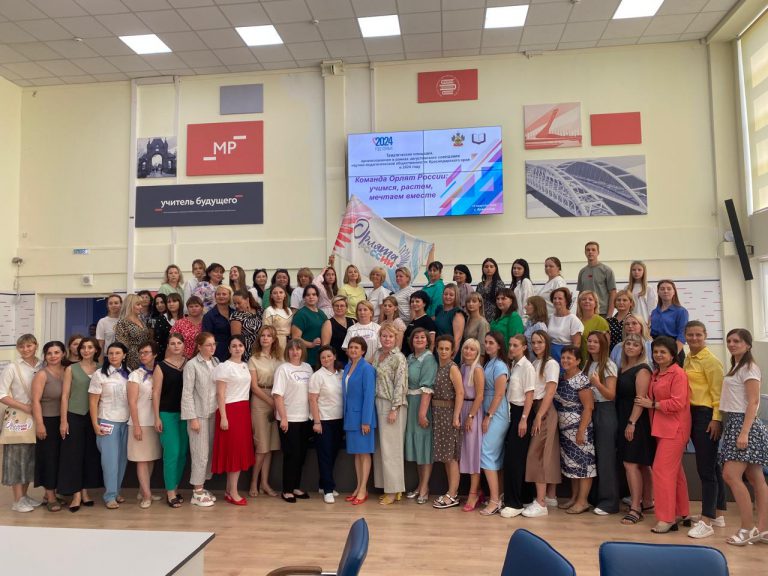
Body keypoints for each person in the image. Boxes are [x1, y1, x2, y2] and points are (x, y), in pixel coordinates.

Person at [635, 336, 691, 534]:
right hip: (661, 428)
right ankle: (682, 512)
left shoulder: (678, 374)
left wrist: (653, 404)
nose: (658, 355)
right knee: (675, 472)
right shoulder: (657, 373)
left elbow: (678, 403)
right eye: (656, 352)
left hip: (675, 429)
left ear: (672, 355)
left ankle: (666, 518)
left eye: (663, 352)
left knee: (661, 471)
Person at [718, 329, 768, 546]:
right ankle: (764, 529)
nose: (731, 344)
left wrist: (744, 432)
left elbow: (753, 401)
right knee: (756, 478)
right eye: (729, 340)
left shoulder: (749, 368)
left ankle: (747, 528)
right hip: (735, 422)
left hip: (744, 424)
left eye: (737, 341)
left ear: (747, 345)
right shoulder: (737, 367)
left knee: (730, 475)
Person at [684, 320, 728, 538]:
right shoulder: (688, 357)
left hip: (706, 416)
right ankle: (718, 514)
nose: (694, 338)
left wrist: (716, 419)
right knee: (712, 466)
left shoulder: (711, 361)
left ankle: (707, 521)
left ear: (705, 335)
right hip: (691, 413)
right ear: (685, 336)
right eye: (690, 335)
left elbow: (719, 394)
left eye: (698, 335)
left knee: (705, 470)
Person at [58, 337, 102, 511]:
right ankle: (76, 494)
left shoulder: (101, 368)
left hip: (94, 417)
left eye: (90, 347)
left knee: (89, 455)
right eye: (83, 347)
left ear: (96, 350)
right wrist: (63, 421)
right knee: (73, 455)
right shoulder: (71, 369)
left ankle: (85, 492)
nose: (86, 350)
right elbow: (64, 396)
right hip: (74, 415)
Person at [615, 333, 654, 525]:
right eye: (628, 343)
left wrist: (632, 423)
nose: (630, 347)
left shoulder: (643, 369)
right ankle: (647, 502)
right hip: (623, 417)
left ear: (641, 349)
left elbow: (640, 399)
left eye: (635, 345)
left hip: (636, 421)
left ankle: (635, 508)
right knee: (641, 465)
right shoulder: (622, 368)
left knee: (631, 464)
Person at [212, 336, 255, 506]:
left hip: (243, 410)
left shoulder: (245, 365)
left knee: (238, 451)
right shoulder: (224, 367)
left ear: (244, 348)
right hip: (229, 410)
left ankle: (229, 490)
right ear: (229, 349)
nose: (237, 348)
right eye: (234, 346)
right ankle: (233, 492)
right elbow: (220, 394)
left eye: (240, 345)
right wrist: (224, 416)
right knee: (234, 452)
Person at [1, 335, 41, 513]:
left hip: (37, 418)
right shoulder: (12, 367)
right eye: (22, 347)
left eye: (29, 346)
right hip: (19, 418)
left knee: (30, 458)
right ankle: (17, 500)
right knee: (16, 458)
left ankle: (24, 496)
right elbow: (2, 394)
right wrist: (25, 407)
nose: (25, 349)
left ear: (36, 346)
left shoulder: (42, 365)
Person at [523, 330, 561, 518]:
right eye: (534, 342)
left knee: (537, 455)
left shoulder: (551, 364)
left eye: (540, 342)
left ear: (547, 344)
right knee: (546, 454)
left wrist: (539, 415)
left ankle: (540, 503)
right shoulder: (535, 363)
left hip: (544, 410)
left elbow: (550, 391)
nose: (536, 345)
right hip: (536, 409)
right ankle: (548, 496)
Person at [553, 345, 595, 515]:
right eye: (563, 357)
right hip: (565, 430)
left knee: (583, 464)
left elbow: (588, 407)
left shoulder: (581, 380)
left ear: (578, 361)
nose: (565, 360)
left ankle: (583, 501)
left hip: (579, 427)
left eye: (569, 358)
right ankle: (575, 497)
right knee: (572, 464)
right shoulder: (562, 378)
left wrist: (581, 430)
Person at [88, 342, 130, 508]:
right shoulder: (99, 375)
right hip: (107, 420)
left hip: (126, 421)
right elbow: (93, 402)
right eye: (111, 353)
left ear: (124, 355)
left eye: (117, 353)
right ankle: (109, 495)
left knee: (122, 459)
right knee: (110, 460)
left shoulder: (129, 373)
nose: (113, 356)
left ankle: (117, 491)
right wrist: (95, 424)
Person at [181, 332, 219, 508]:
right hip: (199, 416)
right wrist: (193, 418)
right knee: (200, 454)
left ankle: (202, 487)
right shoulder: (192, 365)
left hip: (214, 414)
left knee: (209, 454)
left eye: (214, 344)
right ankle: (197, 492)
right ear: (199, 346)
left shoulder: (216, 362)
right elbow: (187, 393)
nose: (212, 347)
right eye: (208, 344)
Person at [372, 322, 408, 506]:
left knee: (391, 449)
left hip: (392, 405)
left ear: (395, 338)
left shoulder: (398, 358)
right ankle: (388, 487)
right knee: (381, 449)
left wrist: (394, 409)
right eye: (384, 336)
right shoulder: (377, 354)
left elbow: (401, 384)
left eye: (390, 336)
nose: (387, 339)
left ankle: (393, 491)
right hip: (378, 402)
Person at [273, 339, 313, 503]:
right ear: (287, 351)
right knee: (291, 455)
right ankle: (287, 490)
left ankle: (296, 486)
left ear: (303, 351)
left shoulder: (308, 368)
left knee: (301, 455)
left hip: (305, 418)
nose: (295, 352)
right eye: (292, 349)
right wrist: (284, 418)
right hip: (289, 419)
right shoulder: (283, 369)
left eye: (298, 349)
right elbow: (278, 395)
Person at [500, 334, 535, 518]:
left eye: (515, 345)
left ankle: (514, 503)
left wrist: (524, 419)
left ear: (524, 347)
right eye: (510, 345)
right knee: (514, 458)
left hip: (521, 413)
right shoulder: (513, 365)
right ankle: (523, 498)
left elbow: (529, 394)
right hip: (512, 412)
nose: (511, 348)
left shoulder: (527, 367)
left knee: (515, 460)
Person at [584, 331, 620, 515]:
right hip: (591, 409)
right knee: (594, 456)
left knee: (606, 457)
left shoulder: (608, 365)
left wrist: (597, 384)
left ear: (603, 345)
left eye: (596, 342)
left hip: (605, 410)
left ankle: (609, 502)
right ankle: (595, 497)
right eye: (589, 341)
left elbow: (611, 394)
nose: (592, 344)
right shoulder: (588, 363)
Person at [152, 334, 188, 508]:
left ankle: (175, 487)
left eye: (179, 343)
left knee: (182, 453)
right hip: (167, 414)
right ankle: (170, 493)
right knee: (172, 453)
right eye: (172, 343)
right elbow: (156, 393)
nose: (176, 346)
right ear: (168, 346)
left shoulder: (189, 364)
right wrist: (156, 416)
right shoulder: (161, 367)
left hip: (186, 414)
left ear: (184, 345)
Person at [31, 340, 66, 512]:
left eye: (56, 352)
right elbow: (35, 401)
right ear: (45, 356)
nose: (53, 356)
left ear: (63, 354)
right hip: (47, 421)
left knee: (59, 458)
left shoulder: (67, 371)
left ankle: (50, 493)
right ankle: (51, 497)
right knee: (49, 459)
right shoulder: (42, 375)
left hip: (63, 420)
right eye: (49, 353)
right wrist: (40, 424)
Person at [247, 326, 281, 498]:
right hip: (260, 401)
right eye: (263, 336)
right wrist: (271, 402)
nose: (265, 338)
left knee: (270, 446)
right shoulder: (254, 359)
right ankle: (253, 482)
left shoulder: (279, 359)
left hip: (276, 398)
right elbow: (253, 387)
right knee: (261, 446)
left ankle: (264, 483)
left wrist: (277, 403)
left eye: (269, 336)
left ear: (274, 339)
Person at [342, 337, 377, 505]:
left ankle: (363, 489)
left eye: (357, 347)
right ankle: (358, 487)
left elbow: (369, 396)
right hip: (350, 417)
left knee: (364, 453)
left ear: (363, 351)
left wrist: (366, 421)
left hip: (363, 419)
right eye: (351, 347)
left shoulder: (367, 369)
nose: (353, 350)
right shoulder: (347, 367)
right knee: (357, 454)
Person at [127, 342, 162, 509]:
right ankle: (146, 496)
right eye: (141, 352)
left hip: (153, 422)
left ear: (154, 354)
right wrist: (136, 425)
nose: (143, 355)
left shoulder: (159, 372)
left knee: (150, 458)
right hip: (140, 422)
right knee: (141, 460)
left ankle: (143, 490)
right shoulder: (135, 375)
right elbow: (132, 402)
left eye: (147, 352)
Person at [404, 327, 437, 504]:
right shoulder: (410, 358)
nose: (419, 339)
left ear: (427, 341)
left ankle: (425, 487)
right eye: (416, 337)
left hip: (420, 404)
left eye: (422, 337)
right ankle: (419, 485)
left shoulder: (429, 359)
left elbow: (427, 388)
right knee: (417, 447)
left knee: (424, 446)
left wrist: (422, 413)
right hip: (409, 403)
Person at [431, 335, 464, 510]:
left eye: (447, 349)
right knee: (445, 455)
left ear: (452, 351)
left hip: (449, 413)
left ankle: (452, 494)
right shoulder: (437, 366)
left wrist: (456, 416)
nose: (443, 351)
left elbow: (460, 392)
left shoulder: (452, 368)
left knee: (451, 457)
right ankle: (451, 491)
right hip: (438, 413)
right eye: (441, 348)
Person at [479, 332, 510, 516]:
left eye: (491, 342)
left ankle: (494, 500)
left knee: (487, 452)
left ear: (499, 345)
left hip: (497, 413)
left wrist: (489, 416)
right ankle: (499, 496)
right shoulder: (489, 363)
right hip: (489, 410)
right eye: (486, 342)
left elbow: (499, 394)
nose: (487, 345)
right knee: (495, 456)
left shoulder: (500, 366)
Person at [308, 346, 344, 503]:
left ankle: (323, 485)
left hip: (339, 420)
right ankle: (328, 490)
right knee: (325, 455)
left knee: (333, 454)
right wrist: (316, 422)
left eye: (329, 356)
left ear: (334, 356)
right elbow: (312, 400)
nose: (326, 359)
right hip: (323, 421)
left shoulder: (341, 374)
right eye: (323, 357)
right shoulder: (317, 376)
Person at [458, 338, 485, 512]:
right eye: (466, 348)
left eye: (472, 349)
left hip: (472, 410)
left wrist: (470, 416)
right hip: (462, 408)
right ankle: (476, 490)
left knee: (473, 452)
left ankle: (473, 493)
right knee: (465, 452)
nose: (468, 351)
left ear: (477, 352)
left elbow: (480, 395)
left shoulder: (477, 370)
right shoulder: (462, 367)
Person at [650, 280, 689, 366]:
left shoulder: (681, 311)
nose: (665, 291)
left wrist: (673, 355)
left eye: (669, 289)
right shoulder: (654, 312)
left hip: (674, 350)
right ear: (658, 292)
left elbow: (682, 335)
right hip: (657, 352)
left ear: (674, 292)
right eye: (662, 289)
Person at [291, 284, 327, 367]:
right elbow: (295, 338)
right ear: (304, 298)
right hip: (307, 357)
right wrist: (311, 344)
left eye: (314, 294)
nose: (311, 297)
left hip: (321, 357)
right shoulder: (301, 314)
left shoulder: (321, 313)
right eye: (308, 295)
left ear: (318, 297)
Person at [577, 241, 616, 317]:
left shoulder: (607, 270)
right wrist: (578, 314)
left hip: (602, 313)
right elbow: (580, 294)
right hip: (585, 313)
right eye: (588, 250)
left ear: (598, 252)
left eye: (593, 250)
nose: (590, 252)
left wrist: (609, 316)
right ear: (585, 253)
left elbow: (613, 293)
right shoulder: (582, 272)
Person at [114, 294, 151, 371]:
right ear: (130, 305)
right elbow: (121, 345)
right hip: (131, 359)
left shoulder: (141, 320)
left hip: (145, 357)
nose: (141, 307)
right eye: (138, 304)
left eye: (141, 305)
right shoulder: (123, 322)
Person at [547, 287, 583, 363]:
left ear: (566, 301)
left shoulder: (573, 319)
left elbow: (576, 344)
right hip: (551, 354)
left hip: (566, 355)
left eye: (560, 298)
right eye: (554, 298)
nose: (557, 301)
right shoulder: (550, 317)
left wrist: (568, 360)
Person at [434, 283, 466, 360]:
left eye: (451, 295)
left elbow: (457, 340)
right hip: (438, 351)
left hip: (449, 354)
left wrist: (451, 358)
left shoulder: (457, 314)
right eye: (445, 294)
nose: (448, 297)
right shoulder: (439, 310)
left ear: (456, 297)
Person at [202, 284, 233, 363]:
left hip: (234, 352)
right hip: (217, 354)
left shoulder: (235, 313)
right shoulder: (209, 316)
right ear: (215, 296)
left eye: (224, 294)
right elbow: (206, 338)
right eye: (218, 294)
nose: (221, 296)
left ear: (230, 296)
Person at [230, 289, 263, 361]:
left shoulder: (259, 310)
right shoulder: (236, 316)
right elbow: (236, 339)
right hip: (247, 352)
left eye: (239, 303)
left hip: (262, 348)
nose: (236, 306)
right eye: (234, 303)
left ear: (247, 300)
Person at [577, 290, 609, 364]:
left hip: (595, 362)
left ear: (595, 303)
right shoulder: (576, 321)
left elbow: (606, 345)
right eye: (584, 299)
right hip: (579, 361)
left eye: (590, 299)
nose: (587, 301)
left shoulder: (601, 322)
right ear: (579, 303)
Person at [321, 295, 355, 365]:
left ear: (346, 307)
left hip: (352, 361)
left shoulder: (352, 321)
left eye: (342, 306)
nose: (339, 308)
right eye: (336, 306)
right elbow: (325, 347)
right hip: (336, 362)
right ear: (333, 307)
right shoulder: (328, 323)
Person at [402, 290, 437, 356]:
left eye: (417, 301)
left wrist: (428, 358)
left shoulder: (428, 322)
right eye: (412, 301)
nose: (414, 303)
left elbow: (431, 344)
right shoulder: (412, 321)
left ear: (424, 304)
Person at [262, 285, 293, 352]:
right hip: (276, 342)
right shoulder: (269, 310)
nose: (278, 295)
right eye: (275, 293)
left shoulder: (289, 310)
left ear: (285, 295)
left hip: (289, 343)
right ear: (271, 296)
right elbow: (266, 330)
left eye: (281, 292)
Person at [626, 261, 657, 325]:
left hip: (644, 322)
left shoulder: (649, 288)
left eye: (639, 270)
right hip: (630, 323)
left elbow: (652, 308)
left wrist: (649, 323)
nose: (636, 272)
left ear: (644, 272)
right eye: (634, 270)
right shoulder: (627, 288)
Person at [476, 257, 506, 322]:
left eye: (491, 266)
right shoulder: (480, 285)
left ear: (495, 268)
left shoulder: (499, 284)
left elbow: (503, 301)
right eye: (486, 267)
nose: (489, 269)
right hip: (481, 316)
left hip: (495, 316)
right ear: (483, 269)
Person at [148, 293, 172, 360]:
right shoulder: (152, 319)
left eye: (162, 302)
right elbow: (151, 338)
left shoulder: (172, 318)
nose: (159, 305)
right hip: (157, 352)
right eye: (157, 303)